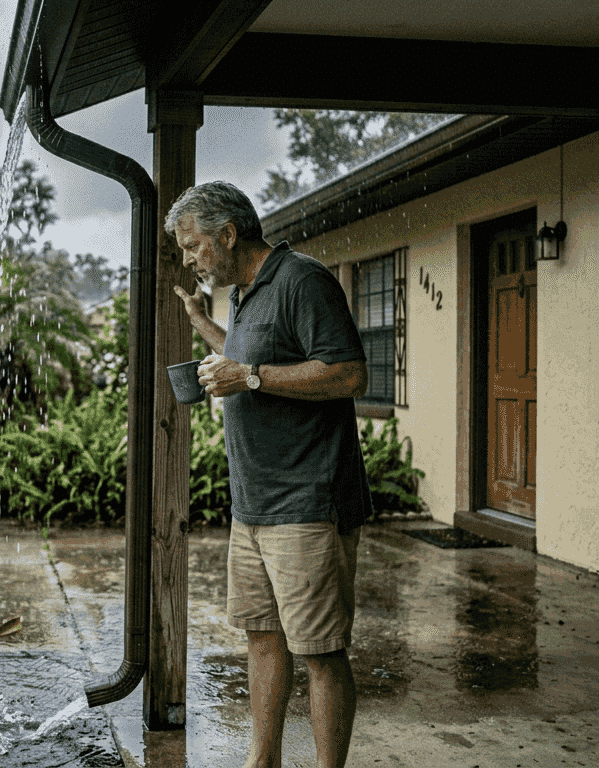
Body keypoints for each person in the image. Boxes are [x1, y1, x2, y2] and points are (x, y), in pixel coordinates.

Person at [168, 180, 372, 768]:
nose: (188, 258)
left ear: (228, 234)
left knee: (321, 652)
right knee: (262, 638)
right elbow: (245, 354)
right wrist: (205, 325)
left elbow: (348, 374)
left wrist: (250, 377)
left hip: (308, 502)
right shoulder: (246, 293)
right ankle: (265, 762)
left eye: (192, 245)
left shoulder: (302, 281)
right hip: (253, 505)